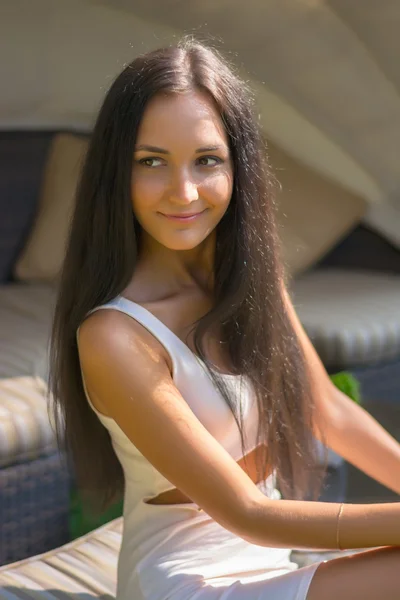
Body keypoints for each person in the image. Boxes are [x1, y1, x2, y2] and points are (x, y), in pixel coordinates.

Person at [49, 38, 400, 600]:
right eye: (151, 162)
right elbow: (248, 512)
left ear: (238, 168)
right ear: (117, 170)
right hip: (187, 580)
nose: (182, 192)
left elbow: (328, 410)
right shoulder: (116, 337)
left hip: (272, 559)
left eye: (207, 160)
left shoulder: (252, 283)